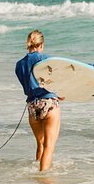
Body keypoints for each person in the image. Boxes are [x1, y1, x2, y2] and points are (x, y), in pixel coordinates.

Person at [15, 30, 63, 171]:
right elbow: (70, 69)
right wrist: (93, 66)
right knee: (49, 146)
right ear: (41, 45)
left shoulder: (19, 65)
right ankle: (43, 181)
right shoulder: (45, 59)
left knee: (40, 144)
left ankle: (36, 173)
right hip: (49, 104)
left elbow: (29, 85)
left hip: (32, 107)